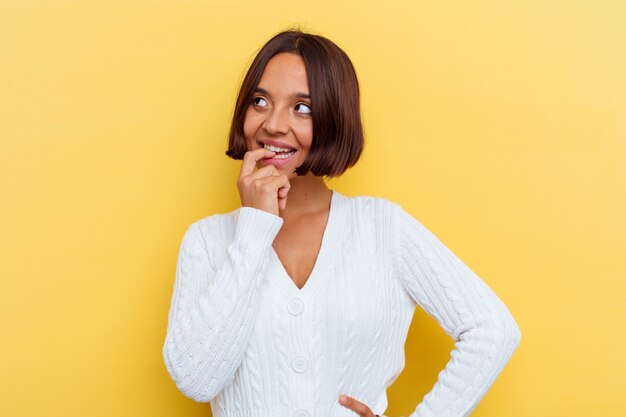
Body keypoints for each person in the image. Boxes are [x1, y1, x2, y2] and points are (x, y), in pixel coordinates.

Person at [162, 28, 521, 417]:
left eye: (303, 108)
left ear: (335, 116)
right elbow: (196, 380)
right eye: (260, 101)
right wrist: (253, 229)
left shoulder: (383, 228)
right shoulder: (207, 240)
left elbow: (493, 331)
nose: (274, 125)